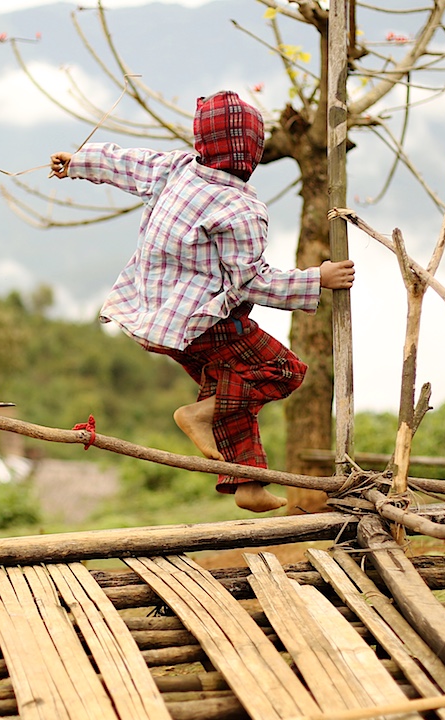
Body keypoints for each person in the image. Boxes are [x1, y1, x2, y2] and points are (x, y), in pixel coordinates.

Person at [50, 90, 355, 513]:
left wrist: (78, 163)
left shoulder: (177, 170)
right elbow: (251, 282)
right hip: (203, 324)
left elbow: (127, 164)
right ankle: (196, 416)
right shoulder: (242, 208)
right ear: (254, 149)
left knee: (233, 388)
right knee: (282, 370)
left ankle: (248, 484)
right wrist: (316, 279)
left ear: (201, 143)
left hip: (153, 320)